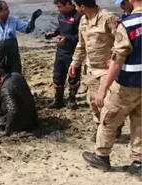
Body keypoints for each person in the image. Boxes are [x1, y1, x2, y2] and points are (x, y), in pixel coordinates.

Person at [82, 0, 142, 178]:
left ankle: (101, 156)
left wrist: (103, 89)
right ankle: (138, 162)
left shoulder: (128, 23)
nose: (122, 6)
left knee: (108, 117)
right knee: (140, 122)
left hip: (127, 83)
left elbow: (118, 60)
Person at [68, 0, 122, 142]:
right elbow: (81, 44)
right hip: (91, 69)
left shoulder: (108, 18)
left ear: (83, 6)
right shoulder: (83, 21)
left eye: (76, 5)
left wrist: (116, 59)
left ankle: (112, 129)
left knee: (107, 103)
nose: (75, 8)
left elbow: (121, 41)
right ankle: (100, 127)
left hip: (108, 71)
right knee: (93, 102)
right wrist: (75, 62)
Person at [0, 0, 42, 74]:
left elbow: (27, 29)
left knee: (16, 76)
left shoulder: (14, 20)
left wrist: (33, 20)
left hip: (13, 57)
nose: (8, 11)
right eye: (6, 9)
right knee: (1, 78)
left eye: (8, 8)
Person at [45, 0, 82, 109]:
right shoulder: (61, 15)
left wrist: (67, 39)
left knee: (73, 77)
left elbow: (81, 36)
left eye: (60, 6)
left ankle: (72, 99)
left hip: (73, 52)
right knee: (58, 75)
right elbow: (60, 28)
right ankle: (58, 100)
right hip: (60, 51)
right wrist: (53, 33)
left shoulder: (78, 16)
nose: (58, 9)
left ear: (68, 4)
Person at [0, 67, 38, 136]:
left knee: (0, 109)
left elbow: (12, 109)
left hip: (22, 123)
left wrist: (7, 130)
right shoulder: (17, 75)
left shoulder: (5, 88)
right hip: (32, 117)